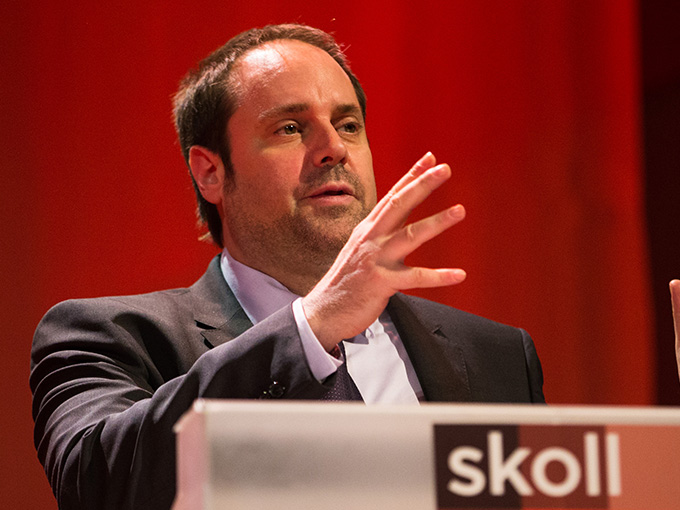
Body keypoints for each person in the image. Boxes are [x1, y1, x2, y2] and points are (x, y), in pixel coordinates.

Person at [30, 24, 544, 510]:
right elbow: (98, 486)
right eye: (291, 128)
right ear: (210, 172)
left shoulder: (497, 355)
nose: (334, 149)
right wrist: (311, 327)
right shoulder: (112, 337)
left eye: (348, 125)